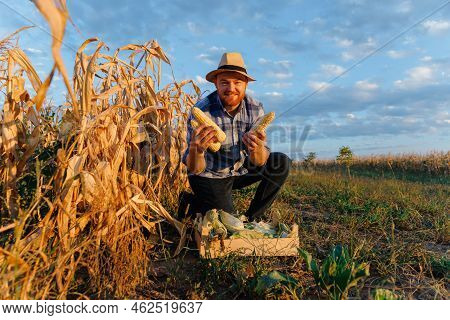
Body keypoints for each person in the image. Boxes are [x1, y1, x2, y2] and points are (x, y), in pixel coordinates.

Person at [181, 52, 291, 221]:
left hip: (239, 170)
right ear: (216, 84)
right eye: (224, 82)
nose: (231, 88)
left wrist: (257, 148)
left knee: (281, 162)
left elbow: (259, 162)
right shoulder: (201, 111)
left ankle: (252, 219)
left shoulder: (255, 108)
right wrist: (198, 149)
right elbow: (195, 168)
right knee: (228, 222)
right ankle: (195, 202)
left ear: (245, 84)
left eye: (237, 82)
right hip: (210, 174)